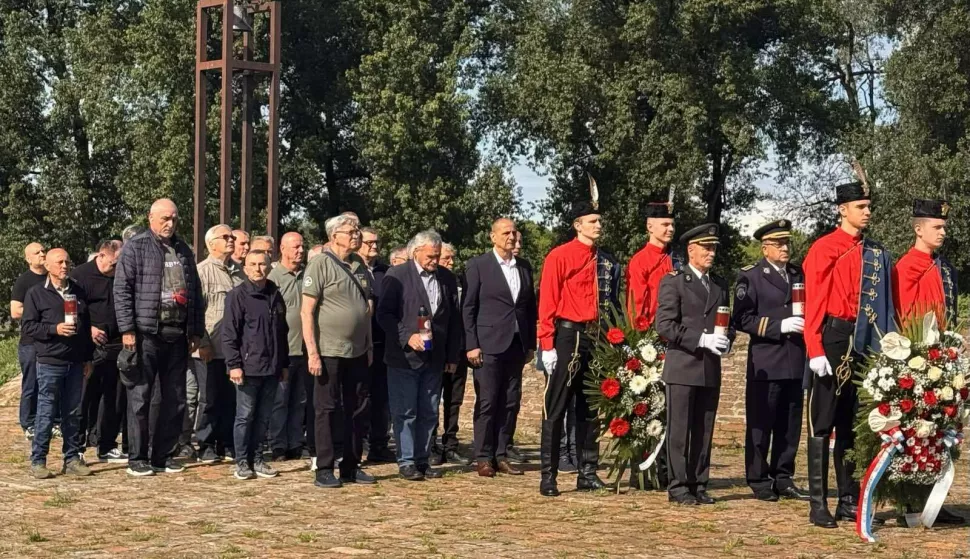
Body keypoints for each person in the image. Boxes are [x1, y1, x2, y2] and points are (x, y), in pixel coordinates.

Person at [802, 181, 894, 527]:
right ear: (843, 210)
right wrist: (814, 347)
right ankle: (817, 503)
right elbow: (814, 301)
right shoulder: (825, 248)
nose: (867, 212)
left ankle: (848, 499)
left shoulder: (875, 251)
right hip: (834, 337)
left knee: (853, 425)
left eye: (869, 206)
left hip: (864, 338)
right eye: (861, 206)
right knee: (822, 422)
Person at [114, 198, 204, 477]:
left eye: (174, 218)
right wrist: (127, 330)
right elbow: (122, 290)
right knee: (141, 397)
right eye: (165, 218)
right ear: (151, 218)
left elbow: (195, 294)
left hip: (177, 335)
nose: (170, 224)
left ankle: (162, 456)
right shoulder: (136, 248)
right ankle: (137, 458)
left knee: (175, 399)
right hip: (145, 334)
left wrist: (195, 331)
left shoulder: (183, 250)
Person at [537, 200, 621, 497]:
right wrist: (546, 343)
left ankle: (587, 471)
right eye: (592, 221)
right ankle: (549, 475)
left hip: (595, 336)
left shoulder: (604, 259)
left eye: (599, 221)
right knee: (556, 406)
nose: (598, 225)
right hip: (568, 334)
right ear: (578, 225)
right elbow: (547, 299)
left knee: (590, 408)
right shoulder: (559, 256)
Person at [890, 199, 964, 525]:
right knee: (915, 433)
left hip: (942, 357)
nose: (943, 232)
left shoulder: (943, 268)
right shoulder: (905, 267)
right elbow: (904, 315)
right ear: (919, 229)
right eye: (937, 227)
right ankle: (912, 503)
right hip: (917, 359)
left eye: (944, 227)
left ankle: (933, 502)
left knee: (937, 432)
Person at [656, 223, 735, 506]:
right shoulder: (674, 281)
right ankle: (678, 486)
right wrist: (701, 339)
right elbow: (664, 325)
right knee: (679, 429)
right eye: (706, 248)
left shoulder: (719, 285)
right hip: (683, 364)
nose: (711, 253)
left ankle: (699, 482)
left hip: (709, 367)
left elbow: (727, 323)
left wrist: (725, 340)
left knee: (704, 428)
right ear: (691, 250)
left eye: (714, 248)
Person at [731, 220, 808, 502]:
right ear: (765, 248)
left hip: (794, 359)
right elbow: (742, 319)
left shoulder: (798, 273)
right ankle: (758, 477)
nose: (785, 248)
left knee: (789, 425)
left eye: (787, 243)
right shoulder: (751, 276)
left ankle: (783, 476)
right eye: (778, 244)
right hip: (766, 359)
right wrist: (779, 326)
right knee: (761, 421)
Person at [378, 230, 462, 481]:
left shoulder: (446, 278)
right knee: (405, 410)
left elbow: (453, 320)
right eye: (430, 256)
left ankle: (423, 459)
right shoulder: (398, 275)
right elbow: (384, 314)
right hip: (404, 357)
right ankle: (406, 461)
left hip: (434, 357)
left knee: (428, 410)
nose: (435, 261)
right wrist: (406, 336)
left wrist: (451, 355)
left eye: (438, 256)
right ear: (415, 252)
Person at [302, 215, 374, 488]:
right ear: (334, 236)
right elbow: (307, 311)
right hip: (328, 350)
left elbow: (366, 310)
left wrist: (368, 344)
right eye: (350, 231)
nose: (356, 235)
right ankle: (324, 467)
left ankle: (351, 466)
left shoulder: (359, 265)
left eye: (357, 230)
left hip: (357, 351)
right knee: (326, 409)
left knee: (358, 408)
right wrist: (313, 353)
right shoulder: (320, 264)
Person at [463, 218, 537, 477]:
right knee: (488, 400)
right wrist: (471, 344)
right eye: (505, 232)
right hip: (488, 344)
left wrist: (531, 343)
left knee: (510, 401)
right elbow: (469, 307)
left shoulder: (524, 267)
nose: (511, 236)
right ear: (492, 237)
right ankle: (483, 456)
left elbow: (529, 308)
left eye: (514, 232)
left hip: (516, 345)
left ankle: (502, 453)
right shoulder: (478, 266)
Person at [21, 248, 95, 478]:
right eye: (60, 262)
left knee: (72, 412)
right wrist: (55, 329)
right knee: (46, 411)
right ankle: (39, 460)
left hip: (75, 362)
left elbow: (86, 326)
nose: (64, 266)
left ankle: (72, 458)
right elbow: (28, 327)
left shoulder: (77, 291)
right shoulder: (36, 293)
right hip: (50, 361)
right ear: (49, 267)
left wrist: (88, 357)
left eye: (67, 261)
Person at [623, 201, 680, 489]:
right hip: (650, 343)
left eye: (672, 224)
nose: (670, 229)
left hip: (676, 341)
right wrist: (643, 344)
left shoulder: (677, 259)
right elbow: (637, 306)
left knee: (671, 409)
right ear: (650, 226)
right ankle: (642, 469)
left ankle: (667, 469)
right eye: (664, 225)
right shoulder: (641, 260)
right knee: (647, 407)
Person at [223, 251, 289, 480]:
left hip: (272, 367)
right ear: (245, 267)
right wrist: (234, 365)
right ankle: (242, 461)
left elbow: (282, 333)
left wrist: (284, 363)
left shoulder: (275, 294)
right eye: (253, 264)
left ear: (270, 266)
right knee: (245, 416)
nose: (258, 268)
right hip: (247, 367)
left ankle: (258, 458)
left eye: (262, 264)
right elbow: (230, 334)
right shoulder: (237, 296)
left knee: (263, 417)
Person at [71, 239, 128, 463]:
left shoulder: (121, 274)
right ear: (101, 256)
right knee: (84, 399)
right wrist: (90, 328)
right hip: (91, 347)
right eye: (113, 264)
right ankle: (76, 448)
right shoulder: (81, 275)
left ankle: (107, 444)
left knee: (114, 397)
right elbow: (71, 309)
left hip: (117, 344)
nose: (115, 269)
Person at [194, 224, 245, 463]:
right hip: (209, 347)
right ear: (211, 243)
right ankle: (205, 444)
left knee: (230, 398)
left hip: (233, 350)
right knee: (209, 398)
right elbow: (196, 311)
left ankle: (226, 442)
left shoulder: (240, 273)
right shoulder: (202, 272)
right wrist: (202, 342)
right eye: (225, 237)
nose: (231, 240)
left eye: (232, 236)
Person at [268, 232, 311, 461]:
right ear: (283, 249)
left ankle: (296, 442)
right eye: (295, 247)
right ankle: (278, 444)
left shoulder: (309, 275)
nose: (300, 251)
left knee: (299, 401)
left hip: (305, 350)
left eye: (302, 246)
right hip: (283, 351)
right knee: (280, 401)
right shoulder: (273, 276)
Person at [357, 226, 395, 463]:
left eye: (376, 242)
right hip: (360, 343)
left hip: (383, 343)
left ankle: (379, 444)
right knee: (361, 397)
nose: (374, 246)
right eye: (369, 242)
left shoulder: (386, 272)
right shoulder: (353, 269)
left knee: (382, 397)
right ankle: (357, 444)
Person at [431, 242, 470, 465]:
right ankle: (431, 444)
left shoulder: (458, 281)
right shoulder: (431, 282)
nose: (451, 262)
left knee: (454, 400)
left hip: (459, 349)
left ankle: (451, 444)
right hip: (436, 350)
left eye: (452, 258)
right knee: (433, 399)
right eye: (446, 258)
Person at [12, 242, 48, 440]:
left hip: (52, 340)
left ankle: (52, 421)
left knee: (51, 383)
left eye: (43, 250)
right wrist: (40, 310)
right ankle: (28, 423)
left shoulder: (53, 278)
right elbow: (15, 311)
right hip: (30, 342)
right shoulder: (24, 281)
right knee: (31, 383)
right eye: (37, 252)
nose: (42, 254)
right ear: (28, 259)